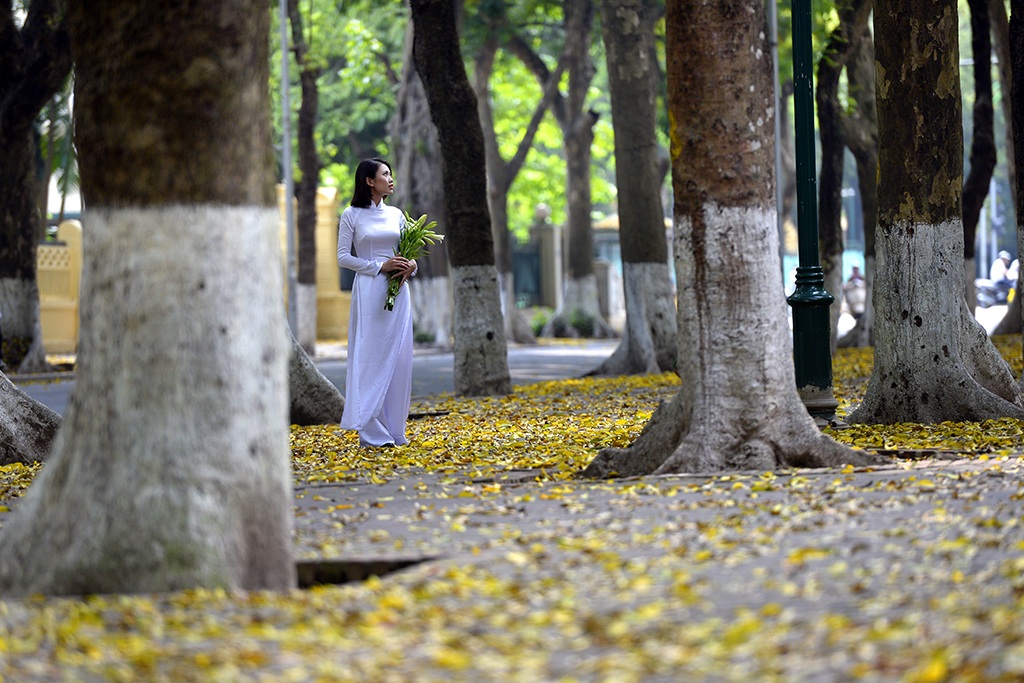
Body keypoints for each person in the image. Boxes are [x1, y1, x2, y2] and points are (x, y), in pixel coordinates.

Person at [336, 158, 418, 448]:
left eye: (391, 174)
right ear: (370, 181)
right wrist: (378, 267)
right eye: (385, 174)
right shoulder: (352, 215)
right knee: (371, 356)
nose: (391, 178)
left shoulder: (396, 214)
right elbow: (343, 257)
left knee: (398, 358)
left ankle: (396, 430)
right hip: (370, 290)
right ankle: (370, 431)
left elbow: (410, 253)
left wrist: (411, 267)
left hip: (398, 291)